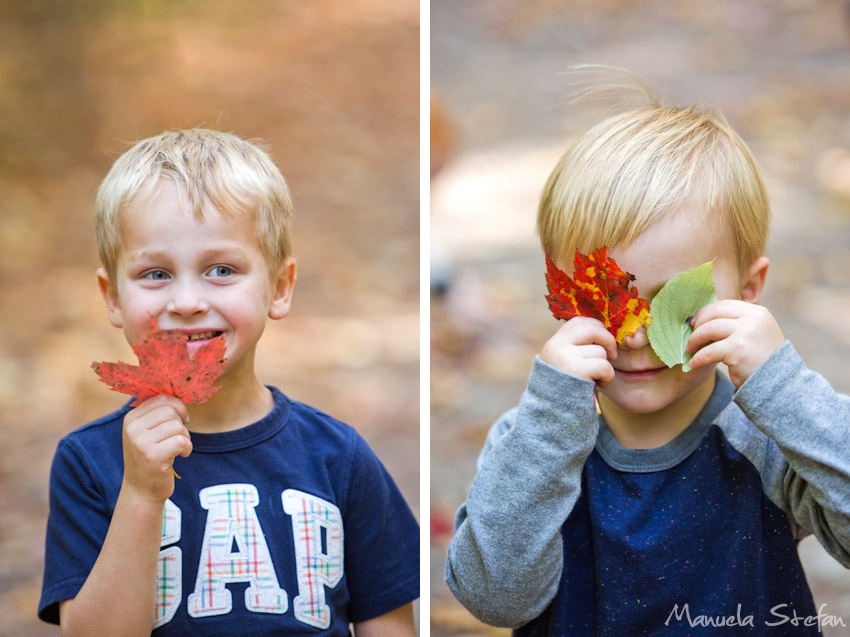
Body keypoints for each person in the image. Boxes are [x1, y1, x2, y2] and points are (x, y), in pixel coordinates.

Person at [445, 101, 850, 634]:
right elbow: (495, 599)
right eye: (604, 298)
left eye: (672, 300)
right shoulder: (530, 443)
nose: (634, 336)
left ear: (747, 294)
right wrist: (548, 418)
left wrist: (785, 389)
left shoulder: (770, 437)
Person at [38, 129, 419, 636]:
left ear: (280, 287)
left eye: (221, 269)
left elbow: (388, 623)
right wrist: (141, 496)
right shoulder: (90, 463)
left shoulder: (338, 458)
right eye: (155, 274)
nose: (188, 301)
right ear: (112, 298)